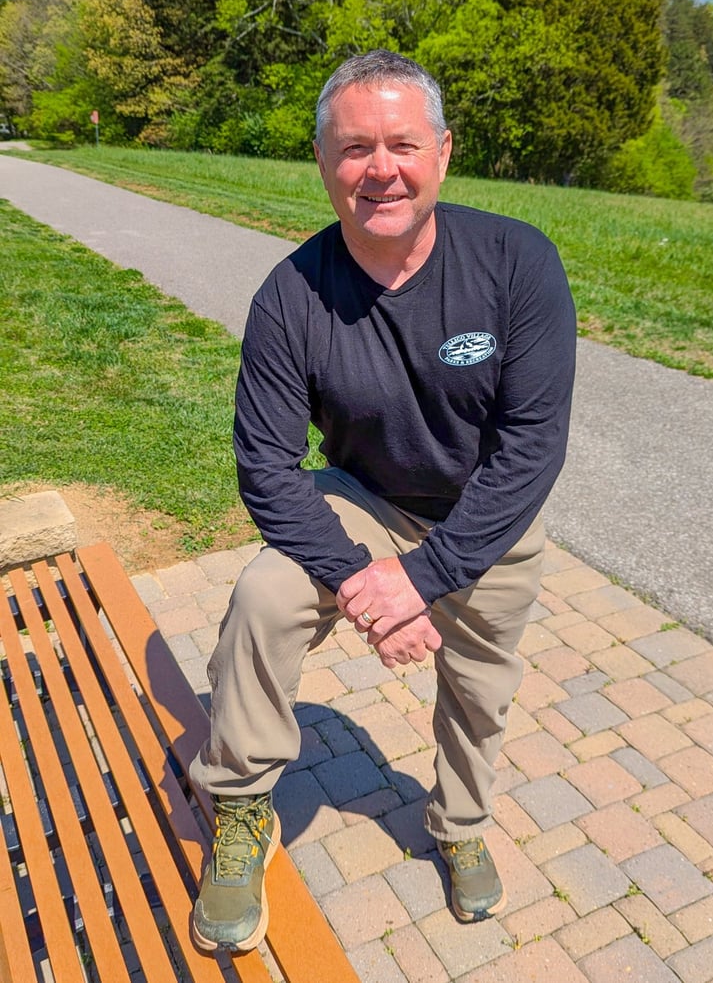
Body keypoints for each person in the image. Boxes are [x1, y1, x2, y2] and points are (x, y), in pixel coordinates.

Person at [189, 50, 576, 952]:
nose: (380, 170)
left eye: (402, 144)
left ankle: (460, 826)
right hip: (365, 499)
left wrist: (427, 578)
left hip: (488, 518)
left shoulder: (517, 262)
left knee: (481, 688)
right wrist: (365, 580)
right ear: (322, 162)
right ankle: (240, 804)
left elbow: (531, 447)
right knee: (263, 596)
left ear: (442, 151)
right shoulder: (290, 296)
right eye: (355, 148)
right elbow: (267, 467)